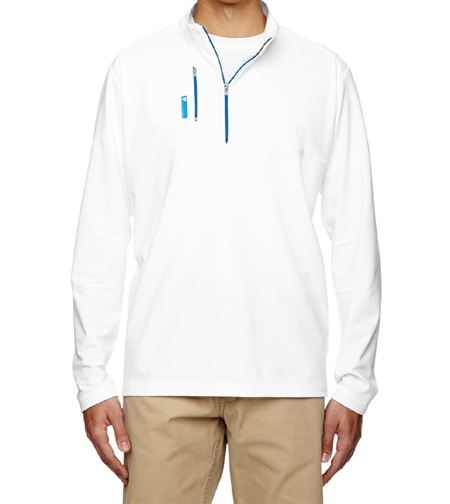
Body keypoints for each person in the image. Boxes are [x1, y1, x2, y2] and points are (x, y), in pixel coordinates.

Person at [71, 0, 382, 502]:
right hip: (163, 377)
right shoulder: (135, 69)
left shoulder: (325, 74)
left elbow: (355, 237)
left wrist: (354, 385)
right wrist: (92, 378)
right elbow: (101, 230)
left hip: (285, 377)